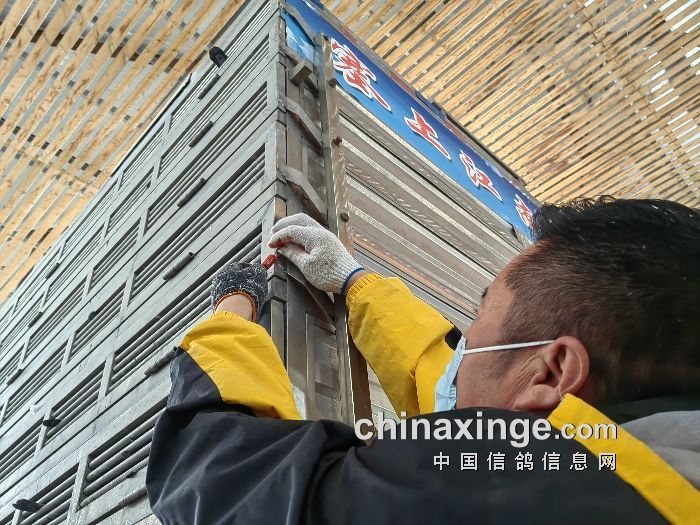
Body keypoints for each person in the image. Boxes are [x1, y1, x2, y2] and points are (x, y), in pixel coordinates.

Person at [146, 197, 700, 524]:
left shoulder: (524, 495)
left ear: (552, 371)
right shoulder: (646, 464)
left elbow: (224, 476)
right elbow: (464, 390)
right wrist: (353, 283)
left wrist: (234, 307)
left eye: (480, 312)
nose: (467, 337)